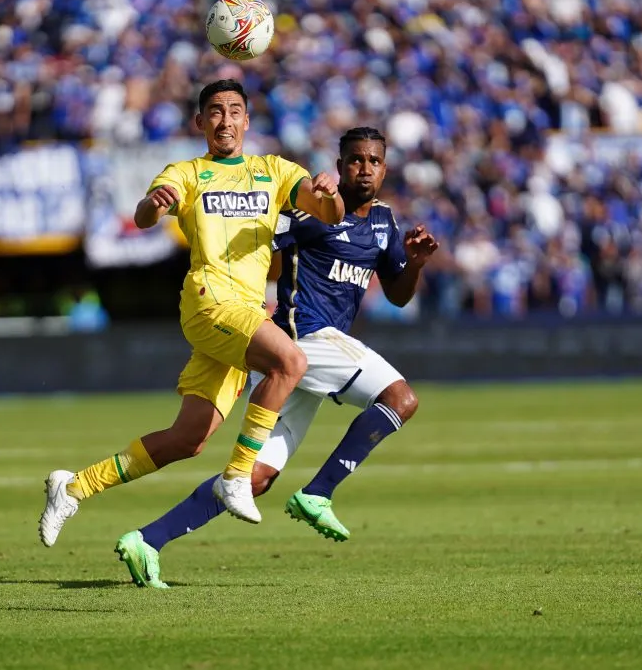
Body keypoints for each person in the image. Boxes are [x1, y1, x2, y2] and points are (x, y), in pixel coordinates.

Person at [112, 127, 440, 587]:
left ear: (385, 168)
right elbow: (260, 249)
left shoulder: (385, 224)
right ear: (340, 163)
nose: (364, 169)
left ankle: (147, 539)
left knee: (256, 478)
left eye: (373, 161)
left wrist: (416, 264)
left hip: (313, 357)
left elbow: (399, 296)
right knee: (400, 397)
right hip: (299, 336)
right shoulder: (310, 212)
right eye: (354, 160)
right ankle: (318, 494)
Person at [39, 79, 345, 545]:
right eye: (215, 112)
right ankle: (238, 475)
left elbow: (330, 214)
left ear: (247, 120)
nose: (225, 120)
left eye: (234, 111)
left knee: (188, 439)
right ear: (200, 122)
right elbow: (144, 216)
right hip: (210, 302)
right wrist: (152, 204)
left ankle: (74, 486)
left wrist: (329, 189)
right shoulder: (187, 172)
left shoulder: (275, 170)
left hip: (244, 313)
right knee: (291, 361)